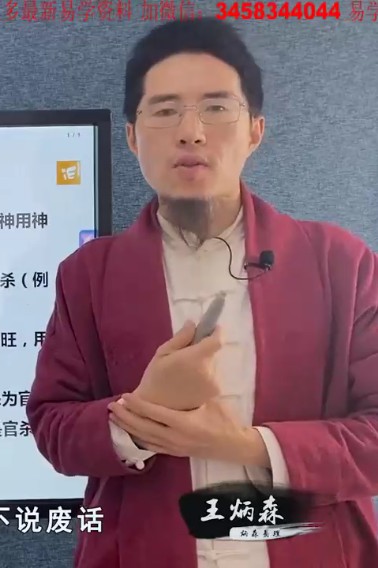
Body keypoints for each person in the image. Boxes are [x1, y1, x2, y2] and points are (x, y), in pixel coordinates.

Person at [26, 18, 378, 568]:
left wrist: (240, 444)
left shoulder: (340, 262)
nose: (191, 132)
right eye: (165, 110)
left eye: (216, 107)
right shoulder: (88, 274)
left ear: (255, 130)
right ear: (132, 137)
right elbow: (53, 427)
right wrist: (142, 411)